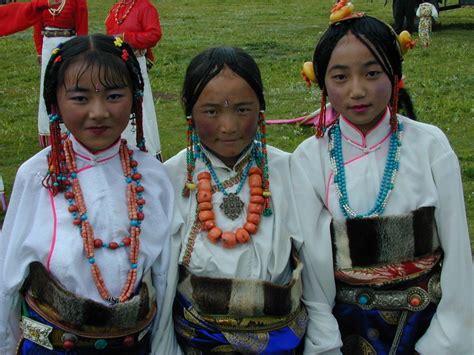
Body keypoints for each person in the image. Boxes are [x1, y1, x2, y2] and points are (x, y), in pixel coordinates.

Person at [291, 2, 473, 354]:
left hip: (425, 323)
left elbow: (459, 257)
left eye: (372, 73)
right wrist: (326, 342)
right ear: (322, 83)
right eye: (340, 76)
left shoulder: (430, 145)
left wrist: (441, 342)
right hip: (343, 330)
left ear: (395, 75)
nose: (357, 90)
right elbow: (313, 268)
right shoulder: (309, 159)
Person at [153, 47, 338, 354]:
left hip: (283, 341)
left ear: (261, 107)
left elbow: (316, 268)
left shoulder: (289, 171)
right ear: (189, 110)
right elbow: (162, 282)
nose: (229, 126)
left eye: (242, 109)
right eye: (211, 111)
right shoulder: (171, 179)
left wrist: (324, 344)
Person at [0, 34, 173, 354]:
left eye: (114, 95)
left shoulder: (152, 177)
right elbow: (6, 277)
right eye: (80, 98)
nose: (98, 112)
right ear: (55, 103)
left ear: (136, 101)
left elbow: (164, 277)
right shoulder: (37, 175)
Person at [106, 0, 163, 160]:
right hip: (116, 66)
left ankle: (146, 153)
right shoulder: (116, 8)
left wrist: (126, 37)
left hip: (136, 63)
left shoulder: (145, 7)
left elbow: (154, 35)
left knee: (141, 106)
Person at [34, 0, 88, 148]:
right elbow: (37, 23)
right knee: (48, 87)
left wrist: (80, 51)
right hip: (47, 46)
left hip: (68, 47)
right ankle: (49, 132)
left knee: (67, 86)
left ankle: (70, 130)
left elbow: (82, 28)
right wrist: (39, 49)